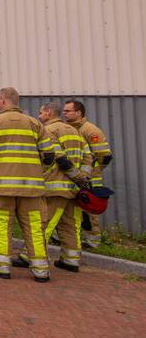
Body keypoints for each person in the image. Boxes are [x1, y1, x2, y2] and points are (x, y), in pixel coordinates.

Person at [0, 87, 62, 282]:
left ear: (2, 100)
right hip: (32, 189)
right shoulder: (35, 123)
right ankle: (41, 271)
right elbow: (49, 154)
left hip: (1, 188)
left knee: (2, 226)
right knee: (34, 229)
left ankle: (2, 267)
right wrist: (41, 173)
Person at [25, 102, 92, 273]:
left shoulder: (48, 130)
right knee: (70, 225)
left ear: (47, 113)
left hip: (55, 188)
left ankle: (29, 256)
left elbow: (58, 157)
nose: (39, 116)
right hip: (74, 189)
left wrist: (75, 176)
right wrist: (82, 179)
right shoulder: (76, 132)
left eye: (40, 113)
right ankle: (71, 260)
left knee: (43, 223)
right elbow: (88, 158)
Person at [63, 99, 113, 249]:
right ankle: (76, 239)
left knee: (88, 210)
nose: (64, 113)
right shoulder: (67, 128)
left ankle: (93, 241)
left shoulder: (90, 130)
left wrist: (93, 170)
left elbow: (104, 155)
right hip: (74, 176)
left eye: (67, 111)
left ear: (78, 113)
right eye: (64, 111)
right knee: (73, 209)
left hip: (90, 178)